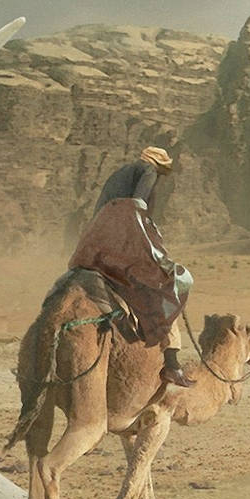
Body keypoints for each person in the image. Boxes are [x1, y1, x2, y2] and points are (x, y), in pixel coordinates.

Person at [68, 146, 195, 388]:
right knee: (166, 291)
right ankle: (172, 365)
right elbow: (137, 208)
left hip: (94, 246)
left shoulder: (118, 174)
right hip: (123, 245)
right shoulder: (148, 171)